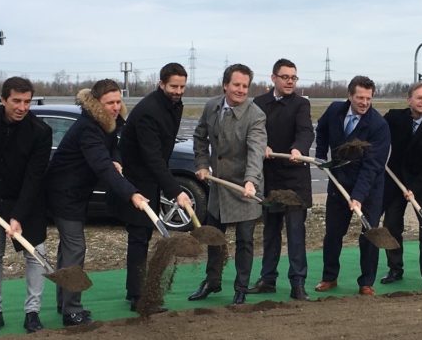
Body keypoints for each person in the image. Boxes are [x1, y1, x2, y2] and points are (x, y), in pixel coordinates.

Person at [45, 79, 149, 325]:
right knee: (75, 248)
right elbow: (102, 166)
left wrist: (116, 158)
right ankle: (72, 311)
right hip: (63, 193)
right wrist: (132, 193)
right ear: (96, 103)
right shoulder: (88, 128)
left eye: (118, 101)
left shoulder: (107, 124)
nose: (115, 107)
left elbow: (112, 149)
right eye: (109, 103)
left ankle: (64, 303)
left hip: (77, 193)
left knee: (68, 249)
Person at [0, 77, 52, 333]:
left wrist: (18, 216)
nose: (22, 107)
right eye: (16, 101)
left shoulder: (40, 131)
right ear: (3, 99)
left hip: (27, 201)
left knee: (36, 255)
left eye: (27, 101)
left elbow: (34, 178)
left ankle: (32, 313)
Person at [189, 64, 267, 305]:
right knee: (214, 237)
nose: (241, 90)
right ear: (225, 85)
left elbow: (256, 151)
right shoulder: (211, 106)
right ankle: (212, 281)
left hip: (245, 188)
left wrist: (251, 181)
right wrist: (202, 163)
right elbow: (200, 137)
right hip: (219, 186)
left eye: (245, 86)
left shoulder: (256, 115)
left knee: (244, 240)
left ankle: (241, 287)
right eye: (236, 85)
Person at [118, 63, 192, 311]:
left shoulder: (174, 104)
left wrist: (167, 186)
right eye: (173, 86)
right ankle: (137, 297)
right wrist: (176, 190)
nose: (178, 91)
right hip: (136, 181)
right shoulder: (149, 111)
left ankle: (136, 292)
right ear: (161, 83)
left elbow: (163, 150)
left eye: (182, 86)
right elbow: (152, 157)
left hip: (151, 178)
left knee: (144, 235)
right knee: (139, 237)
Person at [314, 75, 390, 296]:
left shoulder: (378, 126)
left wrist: (357, 196)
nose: (364, 103)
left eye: (368, 98)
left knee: (369, 234)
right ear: (350, 95)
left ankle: (366, 282)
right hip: (339, 184)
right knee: (333, 233)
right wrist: (320, 156)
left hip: (369, 190)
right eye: (360, 98)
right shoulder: (335, 111)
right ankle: (329, 277)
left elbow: (373, 166)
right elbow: (322, 131)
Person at [248, 59, 314, 301]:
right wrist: (261, 145)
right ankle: (268, 279)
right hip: (271, 177)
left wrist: (298, 149)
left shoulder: (301, 104)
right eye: (285, 77)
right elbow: (253, 131)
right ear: (273, 78)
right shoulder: (258, 104)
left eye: (293, 78)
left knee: (296, 232)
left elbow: (306, 131)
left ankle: (298, 283)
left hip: (295, 178)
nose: (289, 81)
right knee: (271, 231)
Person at [380, 82, 422, 291]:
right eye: (419, 98)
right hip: (394, 182)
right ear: (409, 99)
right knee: (391, 226)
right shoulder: (393, 118)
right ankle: (395, 269)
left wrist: (414, 188)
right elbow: (378, 137)